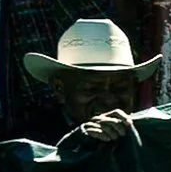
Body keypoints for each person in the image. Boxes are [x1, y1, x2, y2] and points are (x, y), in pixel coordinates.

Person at [22, 18, 158, 142]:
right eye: (93, 89)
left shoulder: (147, 137)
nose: (109, 99)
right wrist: (77, 142)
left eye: (121, 88)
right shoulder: (32, 143)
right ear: (59, 89)